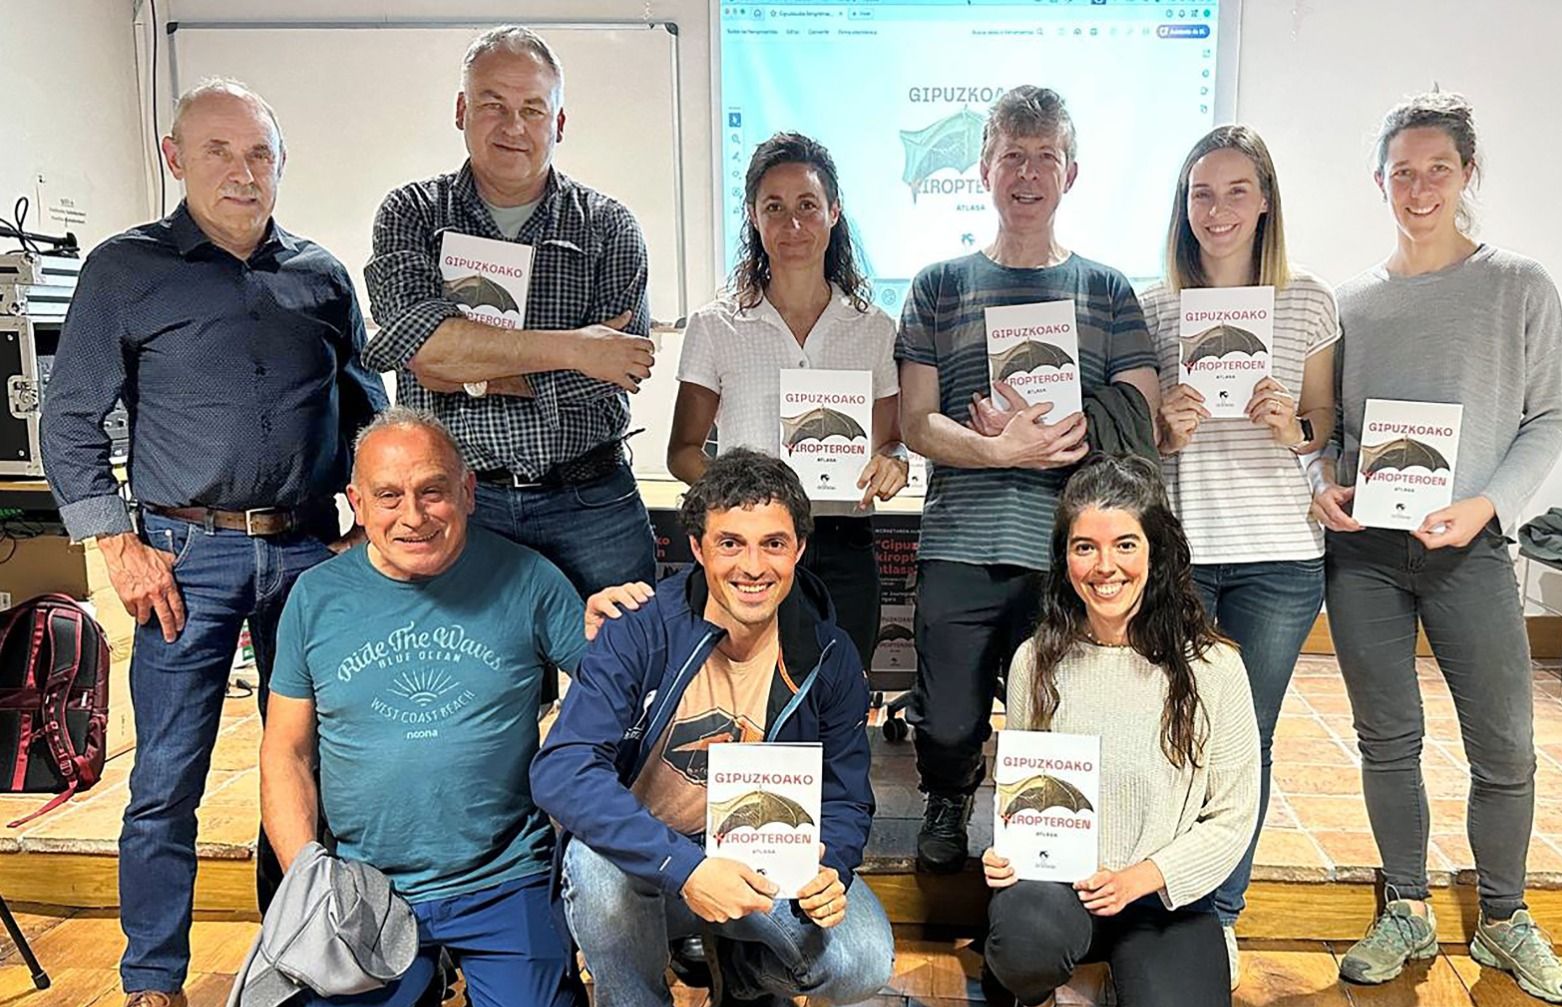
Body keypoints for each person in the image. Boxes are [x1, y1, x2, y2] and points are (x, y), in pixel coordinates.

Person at [39, 78, 386, 1007]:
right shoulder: (124, 272)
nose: (244, 170)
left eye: (261, 153)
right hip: (182, 561)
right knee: (167, 785)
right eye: (221, 150)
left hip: (310, 558)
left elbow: (365, 409)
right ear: (174, 154)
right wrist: (116, 541)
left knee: (316, 773)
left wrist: (368, 516)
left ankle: (301, 960)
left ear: (281, 162)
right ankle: (152, 989)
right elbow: (69, 424)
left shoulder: (321, 277)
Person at [532, 449, 894, 1007]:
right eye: (730, 543)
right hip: (650, 863)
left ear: (798, 549)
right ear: (696, 547)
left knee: (863, 959)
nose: (752, 566)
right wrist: (683, 865)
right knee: (596, 870)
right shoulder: (640, 631)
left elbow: (847, 793)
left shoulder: (828, 653)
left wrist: (835, 867)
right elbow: (562, 770)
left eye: (773, 544)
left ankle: (744, 974)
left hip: (758, 864)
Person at [1311, 93, 1562, 1004]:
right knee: (1388, 741)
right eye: (1402, 172)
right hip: (1366, 559)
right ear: (1379, 182)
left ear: (1468, 174)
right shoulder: (1349, 304)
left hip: (1470, 550)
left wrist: (1487, 508)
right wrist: (1326, 482)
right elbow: (1331, 432)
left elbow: (1549, 419)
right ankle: (1406, 909)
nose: (1419, 187)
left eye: (1438, 169)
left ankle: (1506, 919)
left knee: (1505, 747)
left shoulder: (1519, 285)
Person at [258, 408, 590, 1007]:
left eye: (433, 491)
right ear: (356, 501)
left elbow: (608, 697)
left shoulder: (529, 580)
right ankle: (422, 976)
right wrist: (309, 880)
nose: (414, 514)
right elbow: (285, 750)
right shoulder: (315, 598)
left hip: (504, 875)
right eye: (389, 495)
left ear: (469, 491)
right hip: (368, 890)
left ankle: (510, 977)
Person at [897, 85, 1159, 873]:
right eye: (1013, 154)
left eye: (1046, 156)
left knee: (1058, 716)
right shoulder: (938, 284)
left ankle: (1038, 840)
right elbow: (917, 423)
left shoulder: (1108, 289)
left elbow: (1139, 406)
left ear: (1070, 175)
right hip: (960, 542)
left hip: (1071, 552)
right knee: (946, 718)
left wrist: (1064, 430)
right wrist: (1005, 451)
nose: (1029, 172)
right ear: (983, 168)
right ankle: (947, 800)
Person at [982, 452, 1258, 1007]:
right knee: (1023, 934)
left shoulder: (1215, 669)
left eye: (1125, 545)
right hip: (1061, 887)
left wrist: (1146, 875)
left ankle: (1133, 1003)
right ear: (1065, 557)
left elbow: (1233, 816)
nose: (1105, 567)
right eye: (1085, 547)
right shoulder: (1035, 660)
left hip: (1161, 898)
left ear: (1157, 549)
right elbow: (1028, 788)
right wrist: (1004, 846)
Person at [1138, 125, 1338, 987]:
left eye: (1234, 191)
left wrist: (1290, 425)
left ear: (1265, 202)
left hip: (1280, 560)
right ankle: (1159, 905)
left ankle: (1220, 914)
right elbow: (1137, 446)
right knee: (1168, 733)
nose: (1216, 210)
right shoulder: (1152, 310)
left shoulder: (1309, 303)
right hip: (1181, 556)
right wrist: (1164, 429)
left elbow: (1323, 429)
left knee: (1244, 741)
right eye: (1200, 193)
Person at [363, 25, 658, 600]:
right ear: (461, 110)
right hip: (461, 506)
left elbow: (619, 370)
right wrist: (576, 349)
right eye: (493, 105)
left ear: (559, 123)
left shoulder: (609, 227)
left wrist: (464, 368)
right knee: (474, 684)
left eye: (532, 109)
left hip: (592, 502)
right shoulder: (411, 214)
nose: (513, 126)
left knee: (624, 674)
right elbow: (422, 353)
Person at [668, 132, 909, 665]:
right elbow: (682, 450)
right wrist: (742, 502)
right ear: (753, 216)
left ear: (834, 212)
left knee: (838, 701)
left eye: (807, 206)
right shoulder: (715, 326)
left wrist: (893, 464)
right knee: (747, 707)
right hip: (746, 551)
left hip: (844, 543)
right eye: (774, 207)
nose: (792, 224)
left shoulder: (874, 330)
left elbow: (890, 442)